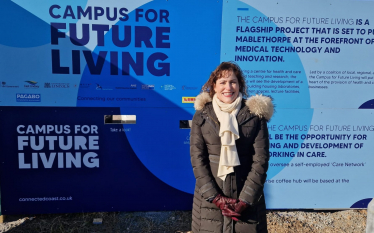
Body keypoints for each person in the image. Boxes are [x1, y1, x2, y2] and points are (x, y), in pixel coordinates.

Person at [190, 62, 273, 233]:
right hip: (209, 204)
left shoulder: (255, 116)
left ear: (240, 84)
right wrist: (216, 198)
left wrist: (245, 200)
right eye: (222, 82)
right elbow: (198, 160)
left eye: (233, 82)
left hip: (247, 203)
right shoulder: (202, 115)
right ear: (214, 86)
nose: (228, 87)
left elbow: (260, 160)